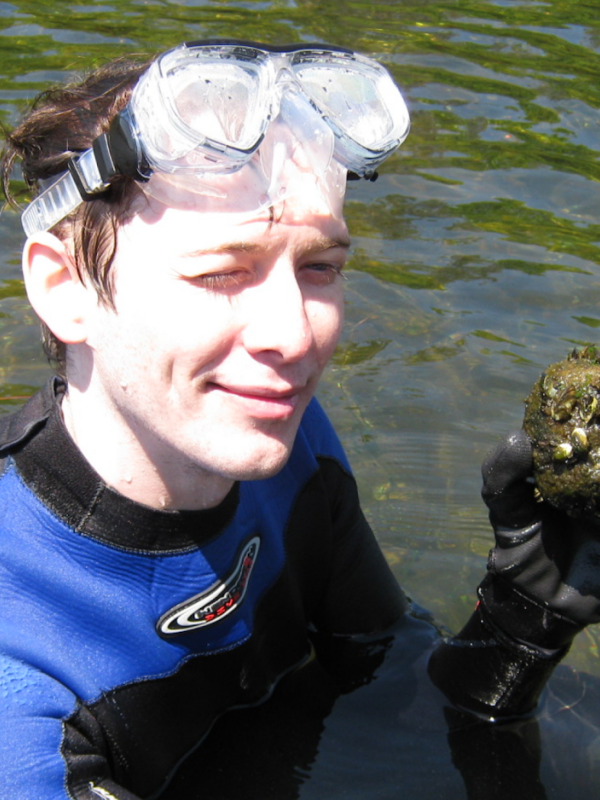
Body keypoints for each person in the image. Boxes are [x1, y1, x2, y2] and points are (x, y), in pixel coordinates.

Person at [1, 39, 600, 800]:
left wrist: (525, 617)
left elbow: (390, 681)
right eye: (221, 271)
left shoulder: (280, 435)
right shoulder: (16, 692)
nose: (294, 334)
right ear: (65, 289)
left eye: (321, 266)